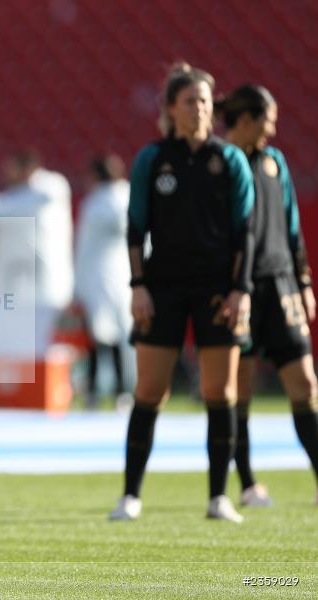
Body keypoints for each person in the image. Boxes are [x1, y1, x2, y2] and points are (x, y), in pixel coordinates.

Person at [109, 63, 255, 523]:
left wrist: (241, 290)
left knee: (219, 390)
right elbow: (136, 228)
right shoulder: (153, 159)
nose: (199, 109)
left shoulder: (229, 160)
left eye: (205, 101)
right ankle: (130, 495)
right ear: (171, 108)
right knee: (150, 389)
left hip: (218, 288)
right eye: (190, 101)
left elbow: (246, 232)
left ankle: (218, 498)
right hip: (163, 287)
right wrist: (138, 287)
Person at [218, 84, 318, 507]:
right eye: (268, 121)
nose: (272, 130)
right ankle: (247, 483)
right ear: (246, 120)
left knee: (305, 383)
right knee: (240, 388)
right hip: (238, 289)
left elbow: (292, 226)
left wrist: (304, 282)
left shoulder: (275, 162)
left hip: (280, 284)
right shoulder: (220, 163)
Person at [0, 150, 73, 356]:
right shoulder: (16, 194)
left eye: (12, 169)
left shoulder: (50, 185)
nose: (7, 175)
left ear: (26, 168)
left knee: (46, 326)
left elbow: (5, 210)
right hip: (19, 271)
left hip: (46, 271)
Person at [73, 155, 135, 411]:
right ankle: (104, 390)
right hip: (109, 274)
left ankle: (115, 390)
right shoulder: (110, 199)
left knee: (112, 334)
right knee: (103, 334)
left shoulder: (110, 200)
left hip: (111, 274)